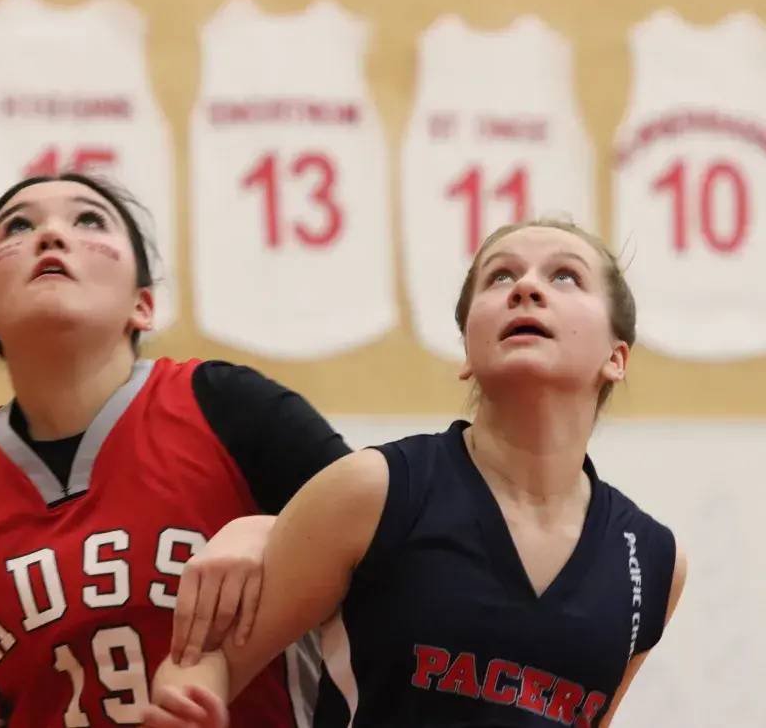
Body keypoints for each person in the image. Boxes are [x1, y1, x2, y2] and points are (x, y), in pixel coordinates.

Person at [143, 219, 688, 728]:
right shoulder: (373, 489)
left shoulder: (657, 562)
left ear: (616, 357)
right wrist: (188, 700)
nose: (525, 287)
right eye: (500, 276)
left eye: (565, 275)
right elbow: (204, 660)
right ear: (469, 351)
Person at [0, 172, 350, 728]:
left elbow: (395, 541)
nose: (51, 236)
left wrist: (273, 531)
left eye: (88, 219)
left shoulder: (229, 405)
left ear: (143, 305)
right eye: (18, 225)